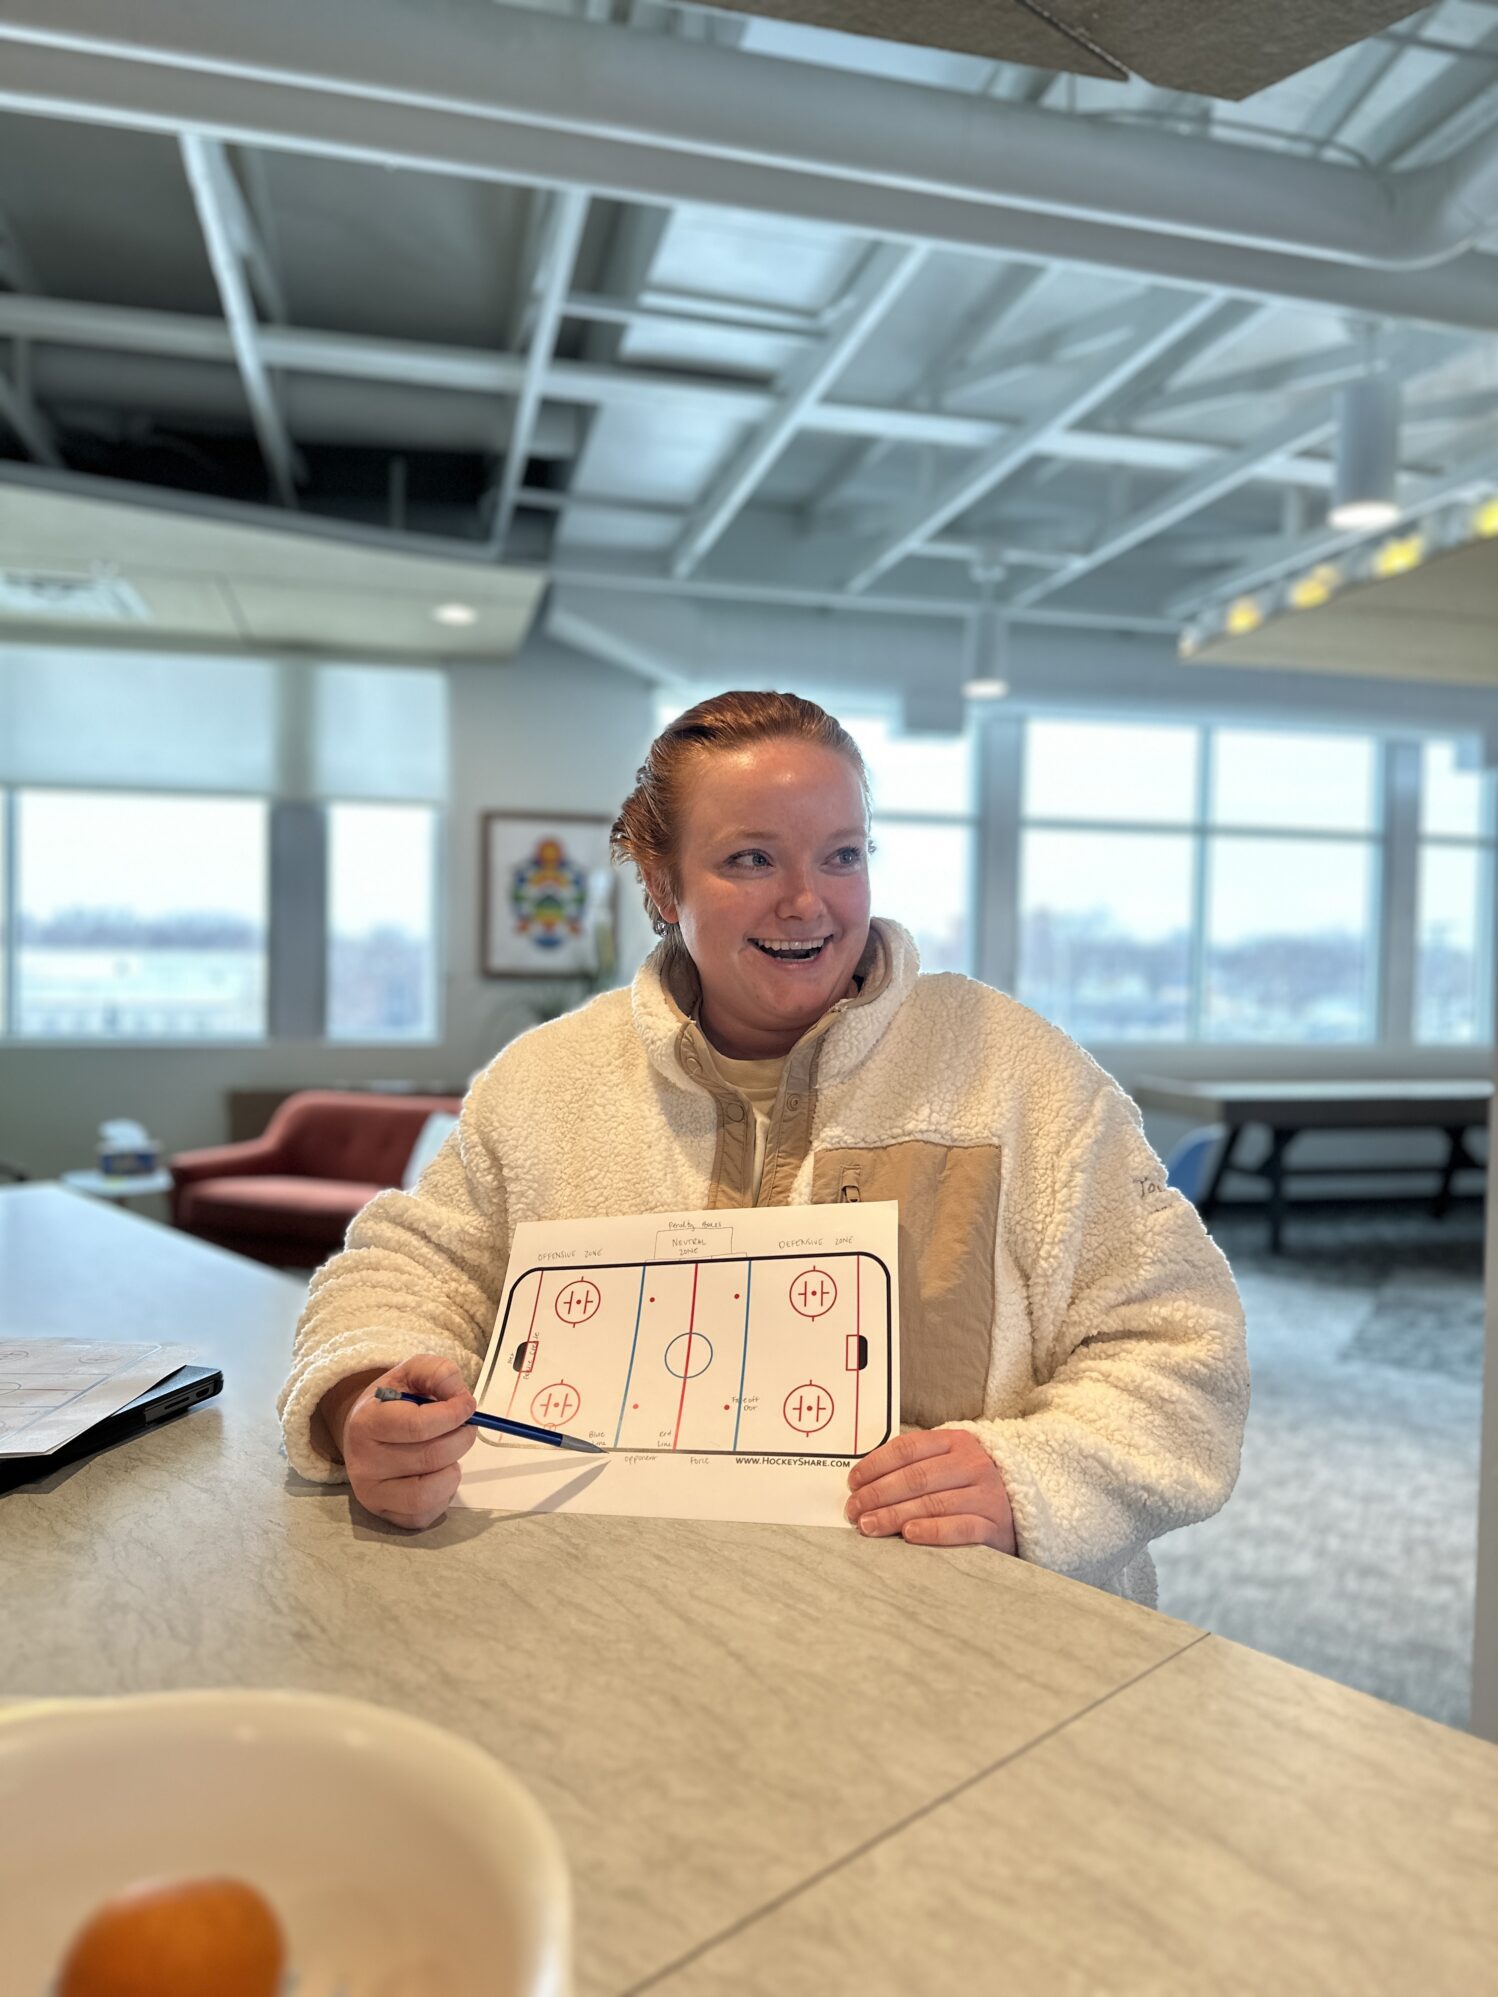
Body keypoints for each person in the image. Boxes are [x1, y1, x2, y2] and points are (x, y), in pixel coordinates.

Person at [279, 691, 1248, 1605]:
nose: (806, 901)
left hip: (965, 1645)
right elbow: (401, 1270)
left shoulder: (1015, 1074)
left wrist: (1029, 1476)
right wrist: (373, 1402)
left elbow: (1178, 1345)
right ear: (661, 883)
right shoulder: (545, 1083)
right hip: (622, 1621)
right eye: (750, 859)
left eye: (841, 855)